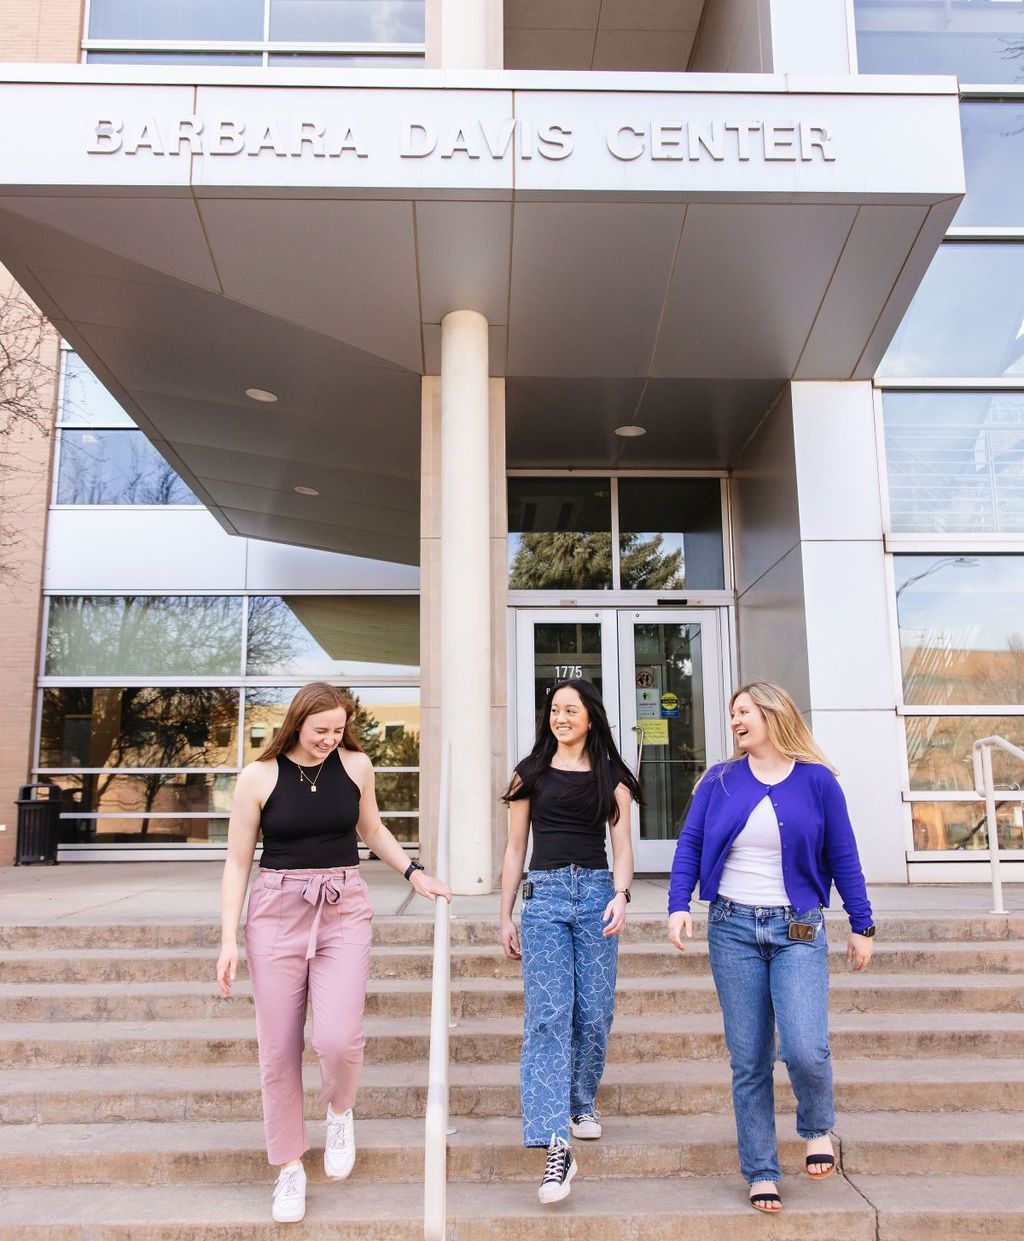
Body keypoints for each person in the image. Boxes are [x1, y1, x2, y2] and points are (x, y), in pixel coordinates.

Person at [216, 681, 450, 1224]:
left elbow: (371, 827)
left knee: (338, 1037)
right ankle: (289, 1168)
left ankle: (340, 1110)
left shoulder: (357, 766)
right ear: (296, 723)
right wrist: (229, 938)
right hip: (275, 911)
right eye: (321, 730)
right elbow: (236, 863)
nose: (329, 739)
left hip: (344, 906)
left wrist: (414, 873)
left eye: (338, 730)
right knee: (277, 1051)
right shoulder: (259, 777)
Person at [667, 681, 875, 1214]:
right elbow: (690, 842)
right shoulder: (720, 780)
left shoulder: (818, 782)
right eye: (732, 712)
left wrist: (862, 924)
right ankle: (761, 1169)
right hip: (732, 926)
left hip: (799, 927)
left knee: (805, 1046)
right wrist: (678, 904)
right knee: (750, 1058)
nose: (736, 720)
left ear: (773, 715)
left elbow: (843, 852)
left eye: (744, 711)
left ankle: (815, 1126)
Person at [499, 677, 642, 1205]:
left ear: (590, 717)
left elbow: (622, 846)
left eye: (571, 709)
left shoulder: (612, 777)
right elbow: (515, 850)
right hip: (546, 900)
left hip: (598, 895)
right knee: (548, 1017)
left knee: (596, 1012)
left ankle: (582, 1100)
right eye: (555, 709)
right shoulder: (528, 775)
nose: (561, 717)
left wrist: (622, 895)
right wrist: (505, 914)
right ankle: (555, 1140)